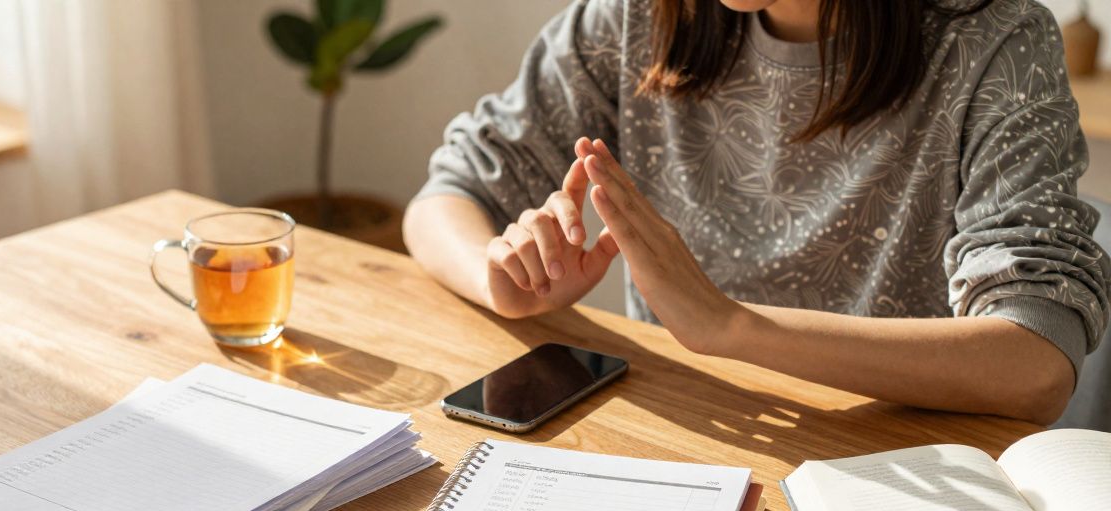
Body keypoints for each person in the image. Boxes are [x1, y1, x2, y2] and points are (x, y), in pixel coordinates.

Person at [402, 0, 1110, 425]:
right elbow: (447, 195)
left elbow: (1036, 364)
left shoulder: (995, 40)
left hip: (898, 465)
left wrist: (729, 326)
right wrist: (502, 277)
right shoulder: (635, 18)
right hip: (691, 438)